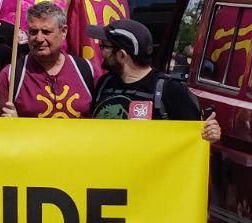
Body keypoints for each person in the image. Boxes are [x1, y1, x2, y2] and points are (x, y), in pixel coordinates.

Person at [89, 21, 220, 142]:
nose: (100, 51)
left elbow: (195, 139)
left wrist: (210, 134)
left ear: (122, 55)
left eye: (104, 46)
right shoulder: (104, 83)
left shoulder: (171, 90)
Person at [0, 2, 95, 118]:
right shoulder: (11, 75)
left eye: (46, 32)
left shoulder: (87, 71)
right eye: (33, 32)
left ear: (63, 32)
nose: (39, 39)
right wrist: (11, 123)